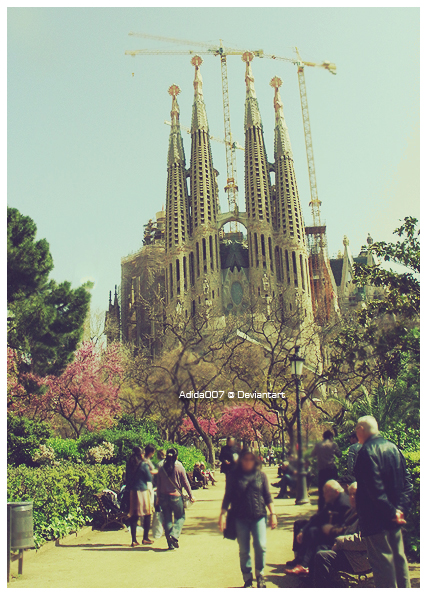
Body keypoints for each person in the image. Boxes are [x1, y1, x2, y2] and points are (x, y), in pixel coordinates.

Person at [354, 415, 413, 588]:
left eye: (356, 430)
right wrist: (400, 510)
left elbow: (374, 489)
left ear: (361, 430)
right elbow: (407, 483)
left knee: (383, 566)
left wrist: (392, 511)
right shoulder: (394, 448)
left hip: (375, 520)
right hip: (394, 520)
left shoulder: (365, 453)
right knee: (399, 561)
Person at [218, 448, 277, 588]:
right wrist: (222, 515)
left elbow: (267, 496)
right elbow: (228, 496)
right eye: (245, 459)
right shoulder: (233, 476)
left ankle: (260, 575)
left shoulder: (261, 476)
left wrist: (273, 514)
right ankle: (247, 579)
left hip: (259, 516)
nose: (248, 462)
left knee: (261, 546)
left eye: (251, 459)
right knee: (244, 550)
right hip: (240, 517)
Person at [285, 480, 351, 576]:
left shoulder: (344, 503)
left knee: (313, 532)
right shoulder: (334, 499)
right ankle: (299, 559)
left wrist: (330, 529)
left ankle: (304, 565)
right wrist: (303, 530)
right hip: (327, 527)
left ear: (335, 492)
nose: (323, 495)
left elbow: (343, 526)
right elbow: (318, 517)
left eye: (326, 492)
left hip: (336, 536)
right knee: (300, 524)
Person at [313, 482, 370, 587]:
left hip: (359, 558)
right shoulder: (354, 510)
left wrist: (339, 541)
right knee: (320, 543)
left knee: (322, 556)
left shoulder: (367, 513)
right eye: (350, 494)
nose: (352, 497)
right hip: (350, 551)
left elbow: (364, 541)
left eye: (356, 494)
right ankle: (315, 582)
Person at [156, 447, 195, 550]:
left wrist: (158, 497)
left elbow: (158, 484)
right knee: (180, 517)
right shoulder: (179, 467)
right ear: (176, 457)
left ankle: (170, 545)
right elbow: (185, 483)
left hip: (164, 497)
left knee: (168, 520)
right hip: (176, 497)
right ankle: (174, 535)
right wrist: (191, 495)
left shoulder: (161, 468)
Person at [125, 446, 153, 547]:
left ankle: (133, 540)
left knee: (134, 515)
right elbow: (149, 478)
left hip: (132, 491)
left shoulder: (129, 464)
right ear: (141, 454)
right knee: (147, 514)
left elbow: (127, 478)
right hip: (142, 491)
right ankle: (145, 538)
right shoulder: (143, 465)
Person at [312, 430, 342, 510]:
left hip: (322, 471)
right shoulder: (333, 445)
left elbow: (312, 454)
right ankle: (334, 507)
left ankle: (321, 509)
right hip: (331, 470)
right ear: (330, 437)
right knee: (334, 488)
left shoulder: (318, 445)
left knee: (322, 491)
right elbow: (339, 455)